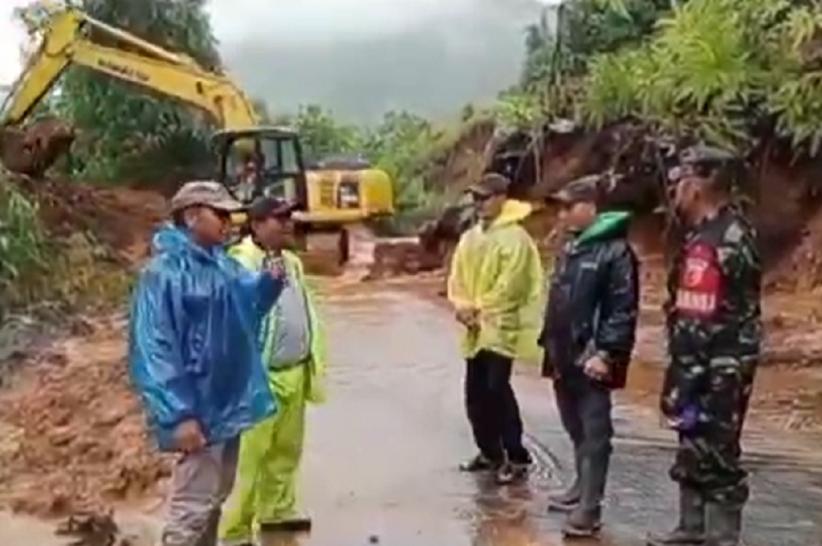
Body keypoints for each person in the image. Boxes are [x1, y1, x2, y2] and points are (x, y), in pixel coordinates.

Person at [128, 181, 286, 546]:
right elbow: (154, 350)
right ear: (191, 215)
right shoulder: (163, 274)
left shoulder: (223, 267)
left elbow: (249, 308)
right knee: (191, 506)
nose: (229, 222)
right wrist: (178, 413)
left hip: (227, 406)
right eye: (221, 214)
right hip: (197, 409)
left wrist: (270, 280)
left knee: (214, 498)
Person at [647, 146, 761, 546]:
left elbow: (708, 319)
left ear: (698, 186)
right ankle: (692, 528)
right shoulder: (703, 235)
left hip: (720, 364)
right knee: (692, 442)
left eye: (680, 182)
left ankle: (721, 536)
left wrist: (688, 378)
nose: (674, 190)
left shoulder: (724, 239)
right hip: (698, 360)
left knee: (718, 452)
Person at [219, 197, 328, 545]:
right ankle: (235, 531)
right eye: (278, 219)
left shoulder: (292, 262)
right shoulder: (241, 263)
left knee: (286, 450)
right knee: (248, 460)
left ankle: (276, 512)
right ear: (256, 224)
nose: (287, 224)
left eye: (288, 218)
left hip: (294, 371)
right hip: (259, 378)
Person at [539, 175, 640, 538]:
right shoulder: (571, 247)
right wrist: (548, 345)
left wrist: (608, 353)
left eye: (569, 207)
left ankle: (590, 507)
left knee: (595, 430)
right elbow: (558, 301)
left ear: (591, 207)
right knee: (574, 426)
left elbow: (621, 310)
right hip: (563, 353)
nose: (562, 214)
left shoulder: (616, 253)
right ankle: (580, 488)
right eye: (559, 208)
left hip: (593, 357)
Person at [447, 172, 544, 485]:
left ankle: (516, 455)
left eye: (485, 198)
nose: (479, 204)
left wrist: (480, 309)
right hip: (474, 328)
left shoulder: (515, 239)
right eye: (475, 198)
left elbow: (511, 286)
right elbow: (457, 277)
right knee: (474, 394)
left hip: (501, 327)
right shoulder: (471, 237)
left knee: (497, 391)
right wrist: (462, 307)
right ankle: (489, 452)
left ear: (503, 197)